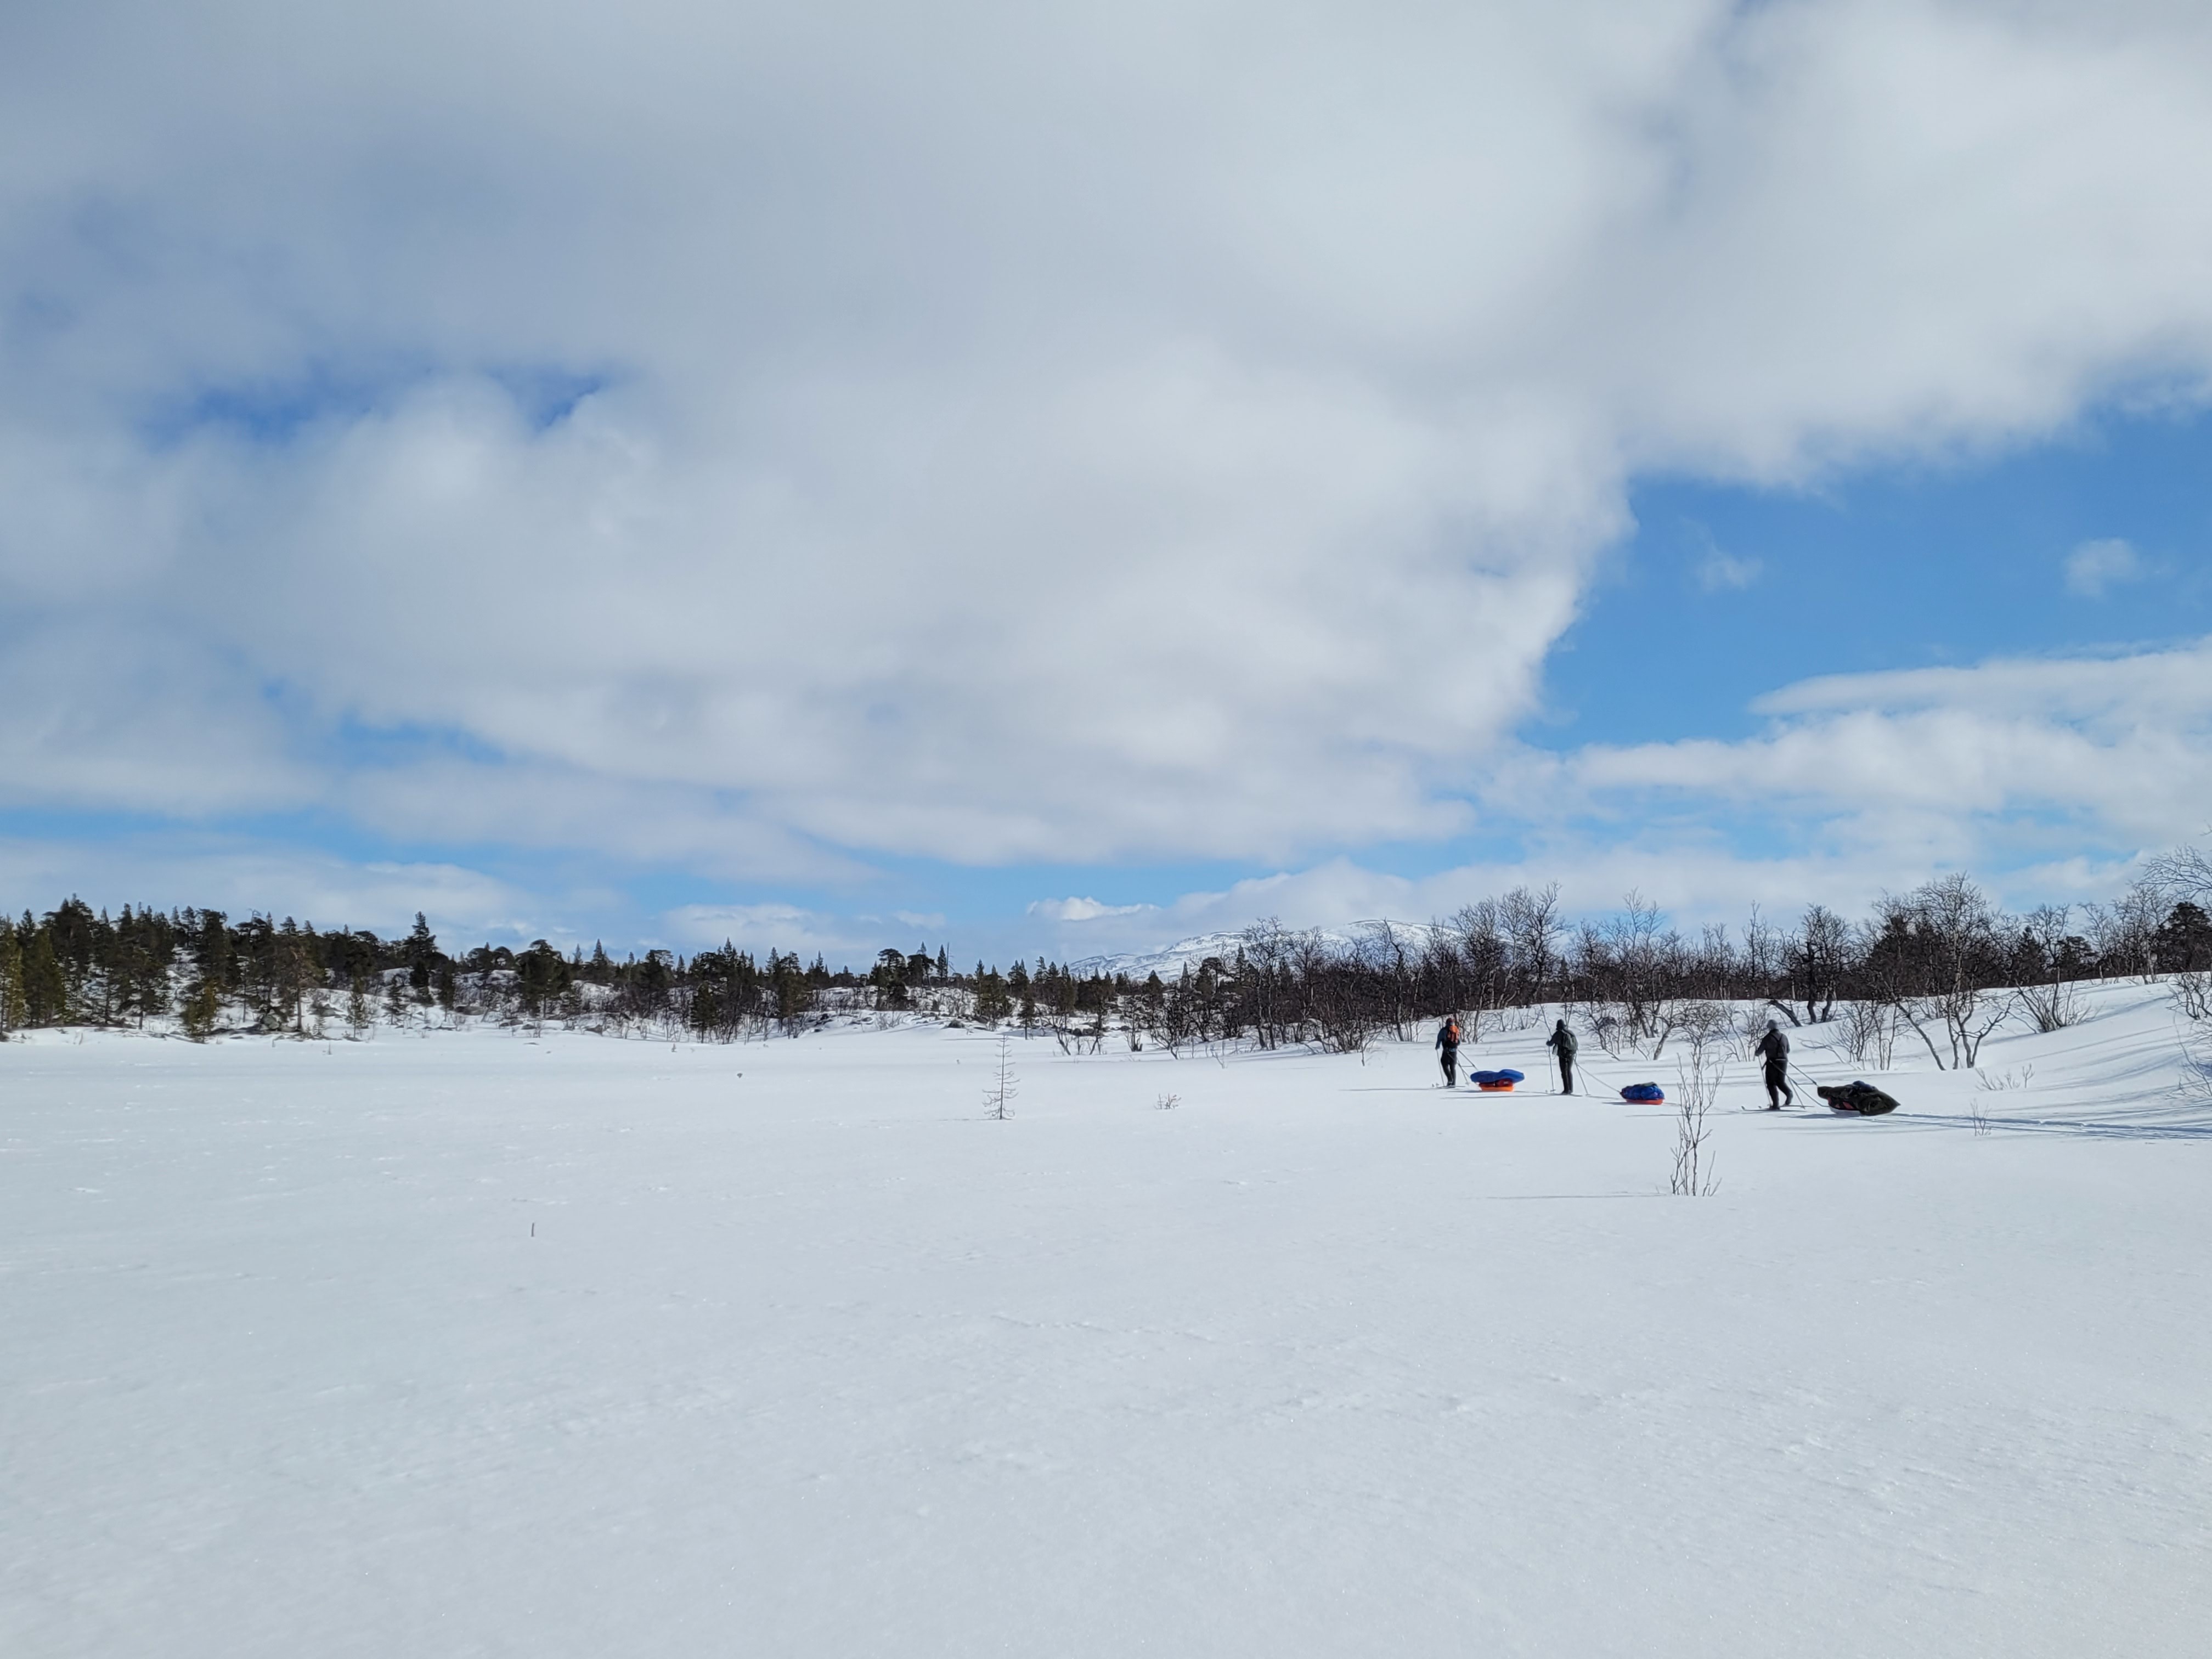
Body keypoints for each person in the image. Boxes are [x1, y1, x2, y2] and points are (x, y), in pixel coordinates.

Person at [1753, 1019, 1793, 1110]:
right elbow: (1788, 1050)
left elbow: (1759, 1052)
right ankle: (1789, 1093)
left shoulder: (1768, 1038)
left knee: (1771, 1083)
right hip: (1784, 1061)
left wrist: (1757, 1053)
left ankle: (1776, 1105)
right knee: (1781, 1082)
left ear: (1770, 1028)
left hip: (1772, 1062)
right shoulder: (1784, 1037)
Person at [1545, 1018, 1577, 1093]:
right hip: (1571, 1055)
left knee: (1564, 1072)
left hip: (1563, 1056)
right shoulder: (1570, 1033)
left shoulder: (1558, 1034)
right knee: (1569, 1071)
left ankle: (1566, 1090)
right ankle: (1571, 1089)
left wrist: (1548, 1042)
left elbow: (1551, 1044)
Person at [1434, 1015, 1462, 1087]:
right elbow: (1459, 1042)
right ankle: (1453, 1083)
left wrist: (1437, 1046)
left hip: (1447, 1050)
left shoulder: (1444, 1030)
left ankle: (1450, 1079)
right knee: (1453, 1067)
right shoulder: (1456, 1030)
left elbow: (1440, 1039)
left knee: (1444, 1063)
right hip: (1454, 1051)